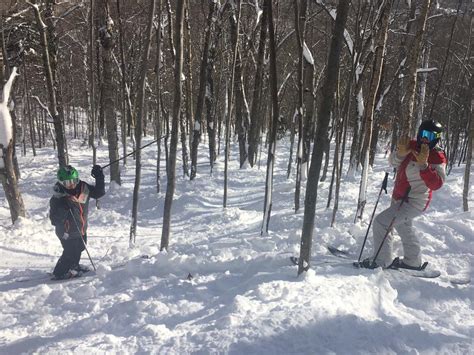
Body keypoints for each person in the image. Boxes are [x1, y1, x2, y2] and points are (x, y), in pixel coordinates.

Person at [360, 120, 446, 270]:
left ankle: (381, 261)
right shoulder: (411, 145)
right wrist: (400, 154)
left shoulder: (437, 157)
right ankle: (413, 261)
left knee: (381, 222)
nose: (426, 138)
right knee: (403, 227)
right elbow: (393, 162)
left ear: (437, 138)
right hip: (399, 196)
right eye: (423, 134)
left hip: (414, 201)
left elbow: (436, 184)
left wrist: (424, 166)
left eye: (430, 136)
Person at [49, 164, 105, 279]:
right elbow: (54, 220)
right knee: (70, 252)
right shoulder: (58, 197)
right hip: (66, 231)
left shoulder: (84, 188)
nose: (71, 185)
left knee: (80, 248)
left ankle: (74, 266)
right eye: (66, 183)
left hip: (81, 228)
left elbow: (99, 193)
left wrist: (99, 177)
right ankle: (60, 273)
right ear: (60, 182)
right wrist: (62, 208)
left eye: (73, 181)